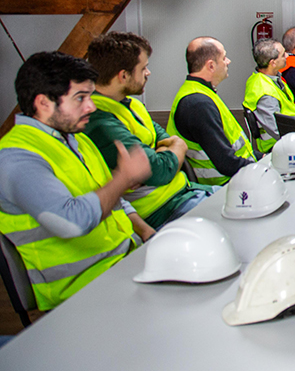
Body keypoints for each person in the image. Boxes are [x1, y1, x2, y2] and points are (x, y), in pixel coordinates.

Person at [0, 52, 153, 310]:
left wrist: (147, 232)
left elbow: (113, 200)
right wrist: (123, 177)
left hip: (123, 264)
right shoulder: (17, 158)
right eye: (80, 98)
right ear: (43, 103)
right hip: (83, 292)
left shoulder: (75, 139)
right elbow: (72, 223)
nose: (91, 106)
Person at [84, 32, 216, 229]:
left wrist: (169, 149)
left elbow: (167, 141)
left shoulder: (132, 105)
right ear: (124, 76)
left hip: (185, 192)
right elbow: (160, 170)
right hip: (162, 211)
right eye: (143, 68)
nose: (148, 73)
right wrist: (173, 148)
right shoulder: (100, 121)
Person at [168, 37, 255, 185]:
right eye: (224, 58)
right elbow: (226, 163)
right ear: (211, 66)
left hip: (237, 176)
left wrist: (264, 157)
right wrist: (263, 169)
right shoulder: (198, 104)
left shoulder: (200, 92)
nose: (228, 61)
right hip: (226, 185)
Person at [243, 39, 295, 154]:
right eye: (283, 54)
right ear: (273, 63)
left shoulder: (269, 79)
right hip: (280, 146)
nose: (287, 56)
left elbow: (289, 109)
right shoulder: (265, 93)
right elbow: (277, 129)